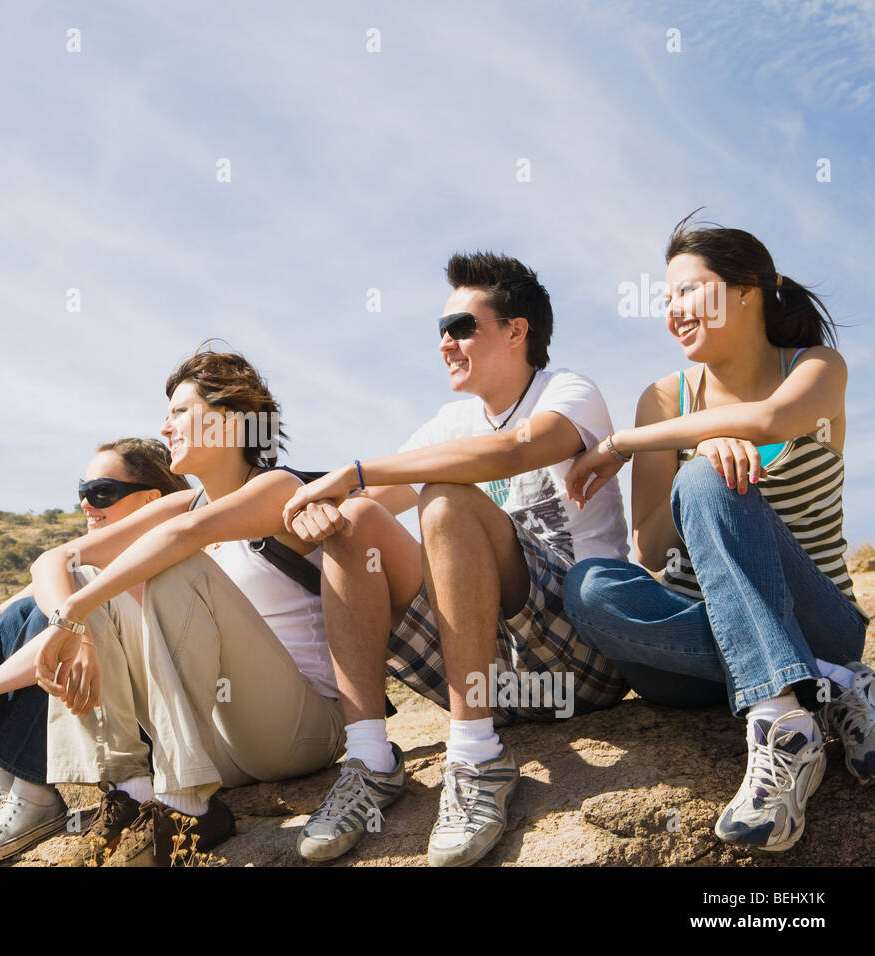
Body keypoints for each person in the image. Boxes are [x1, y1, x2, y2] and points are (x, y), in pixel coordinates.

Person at [279, 251, 631, 866]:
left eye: (461, 327)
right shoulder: (451, 421)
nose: (445, 343)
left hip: (578, 659)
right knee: (357, 521)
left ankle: (475, 754)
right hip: (490, 665)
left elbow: (513, 450)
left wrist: (358, 470)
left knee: (445, 500)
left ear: (517, 330)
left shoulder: (569, 392)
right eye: (440, 330)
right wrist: (324, 507)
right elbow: (367, 500)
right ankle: (370, 760)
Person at [562, 212, 873, 852]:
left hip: (823, 619)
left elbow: (769, 419)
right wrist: (701, 456)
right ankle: (832, 685)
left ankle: (783, 728)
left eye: (688, 291)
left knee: (707, 478)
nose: (673, 310)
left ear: (747, 290)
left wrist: (623, 444)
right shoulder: (664, 397)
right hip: (696, 641)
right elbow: (649, 548)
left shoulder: (816, 367)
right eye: (666, 297)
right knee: (591, 586)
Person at [28, 344, 347, 867]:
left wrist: (76, 611)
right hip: (208, 747)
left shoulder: (279, 488)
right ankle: (133, 792)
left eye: (180, 411)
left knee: (171, 561)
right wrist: (77, 623)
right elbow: (55, 559)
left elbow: (188, 534)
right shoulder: (181, 505)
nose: (166, 426)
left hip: (298, 730)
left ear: (228, 420)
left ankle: (184, 810)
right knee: (87, 576)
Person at [0, 438, 188, 866]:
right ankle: (9, 786)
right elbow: (1, 613)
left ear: (150, 498)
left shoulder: (169, 546)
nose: (87, 505)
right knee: (35, 607)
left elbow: (56, 635)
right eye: (83, 492)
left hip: (156, 723)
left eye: (102, 492)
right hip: (109, 709)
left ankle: (34, 794)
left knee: (69, 602)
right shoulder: (84, 559)